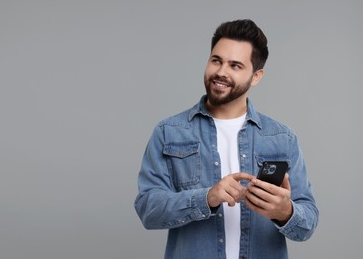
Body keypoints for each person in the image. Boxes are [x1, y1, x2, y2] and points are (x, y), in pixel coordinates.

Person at [134, 19, 319, 259]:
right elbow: (148, 210)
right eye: (216, 60)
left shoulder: (282, 138)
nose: (221, 72)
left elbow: (308, 224)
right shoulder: (169, 132)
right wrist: (207, 197)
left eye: (235, 65)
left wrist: (285, 212)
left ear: (256, 76)